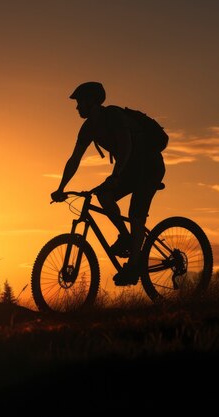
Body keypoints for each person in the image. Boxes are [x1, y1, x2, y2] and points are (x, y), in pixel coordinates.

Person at [51, 81, 166, 286]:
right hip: (129, 169)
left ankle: (133, 265)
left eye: (80, 102)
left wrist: (115, 176)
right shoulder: (88, 128)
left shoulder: (113, 115)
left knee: (135, 214)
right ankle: (126, 237)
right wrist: (61, 188)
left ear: (93, 101)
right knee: (103, 195)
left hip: (149, 166)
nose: (77, 107)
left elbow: (126, 146)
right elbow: (74, 159)